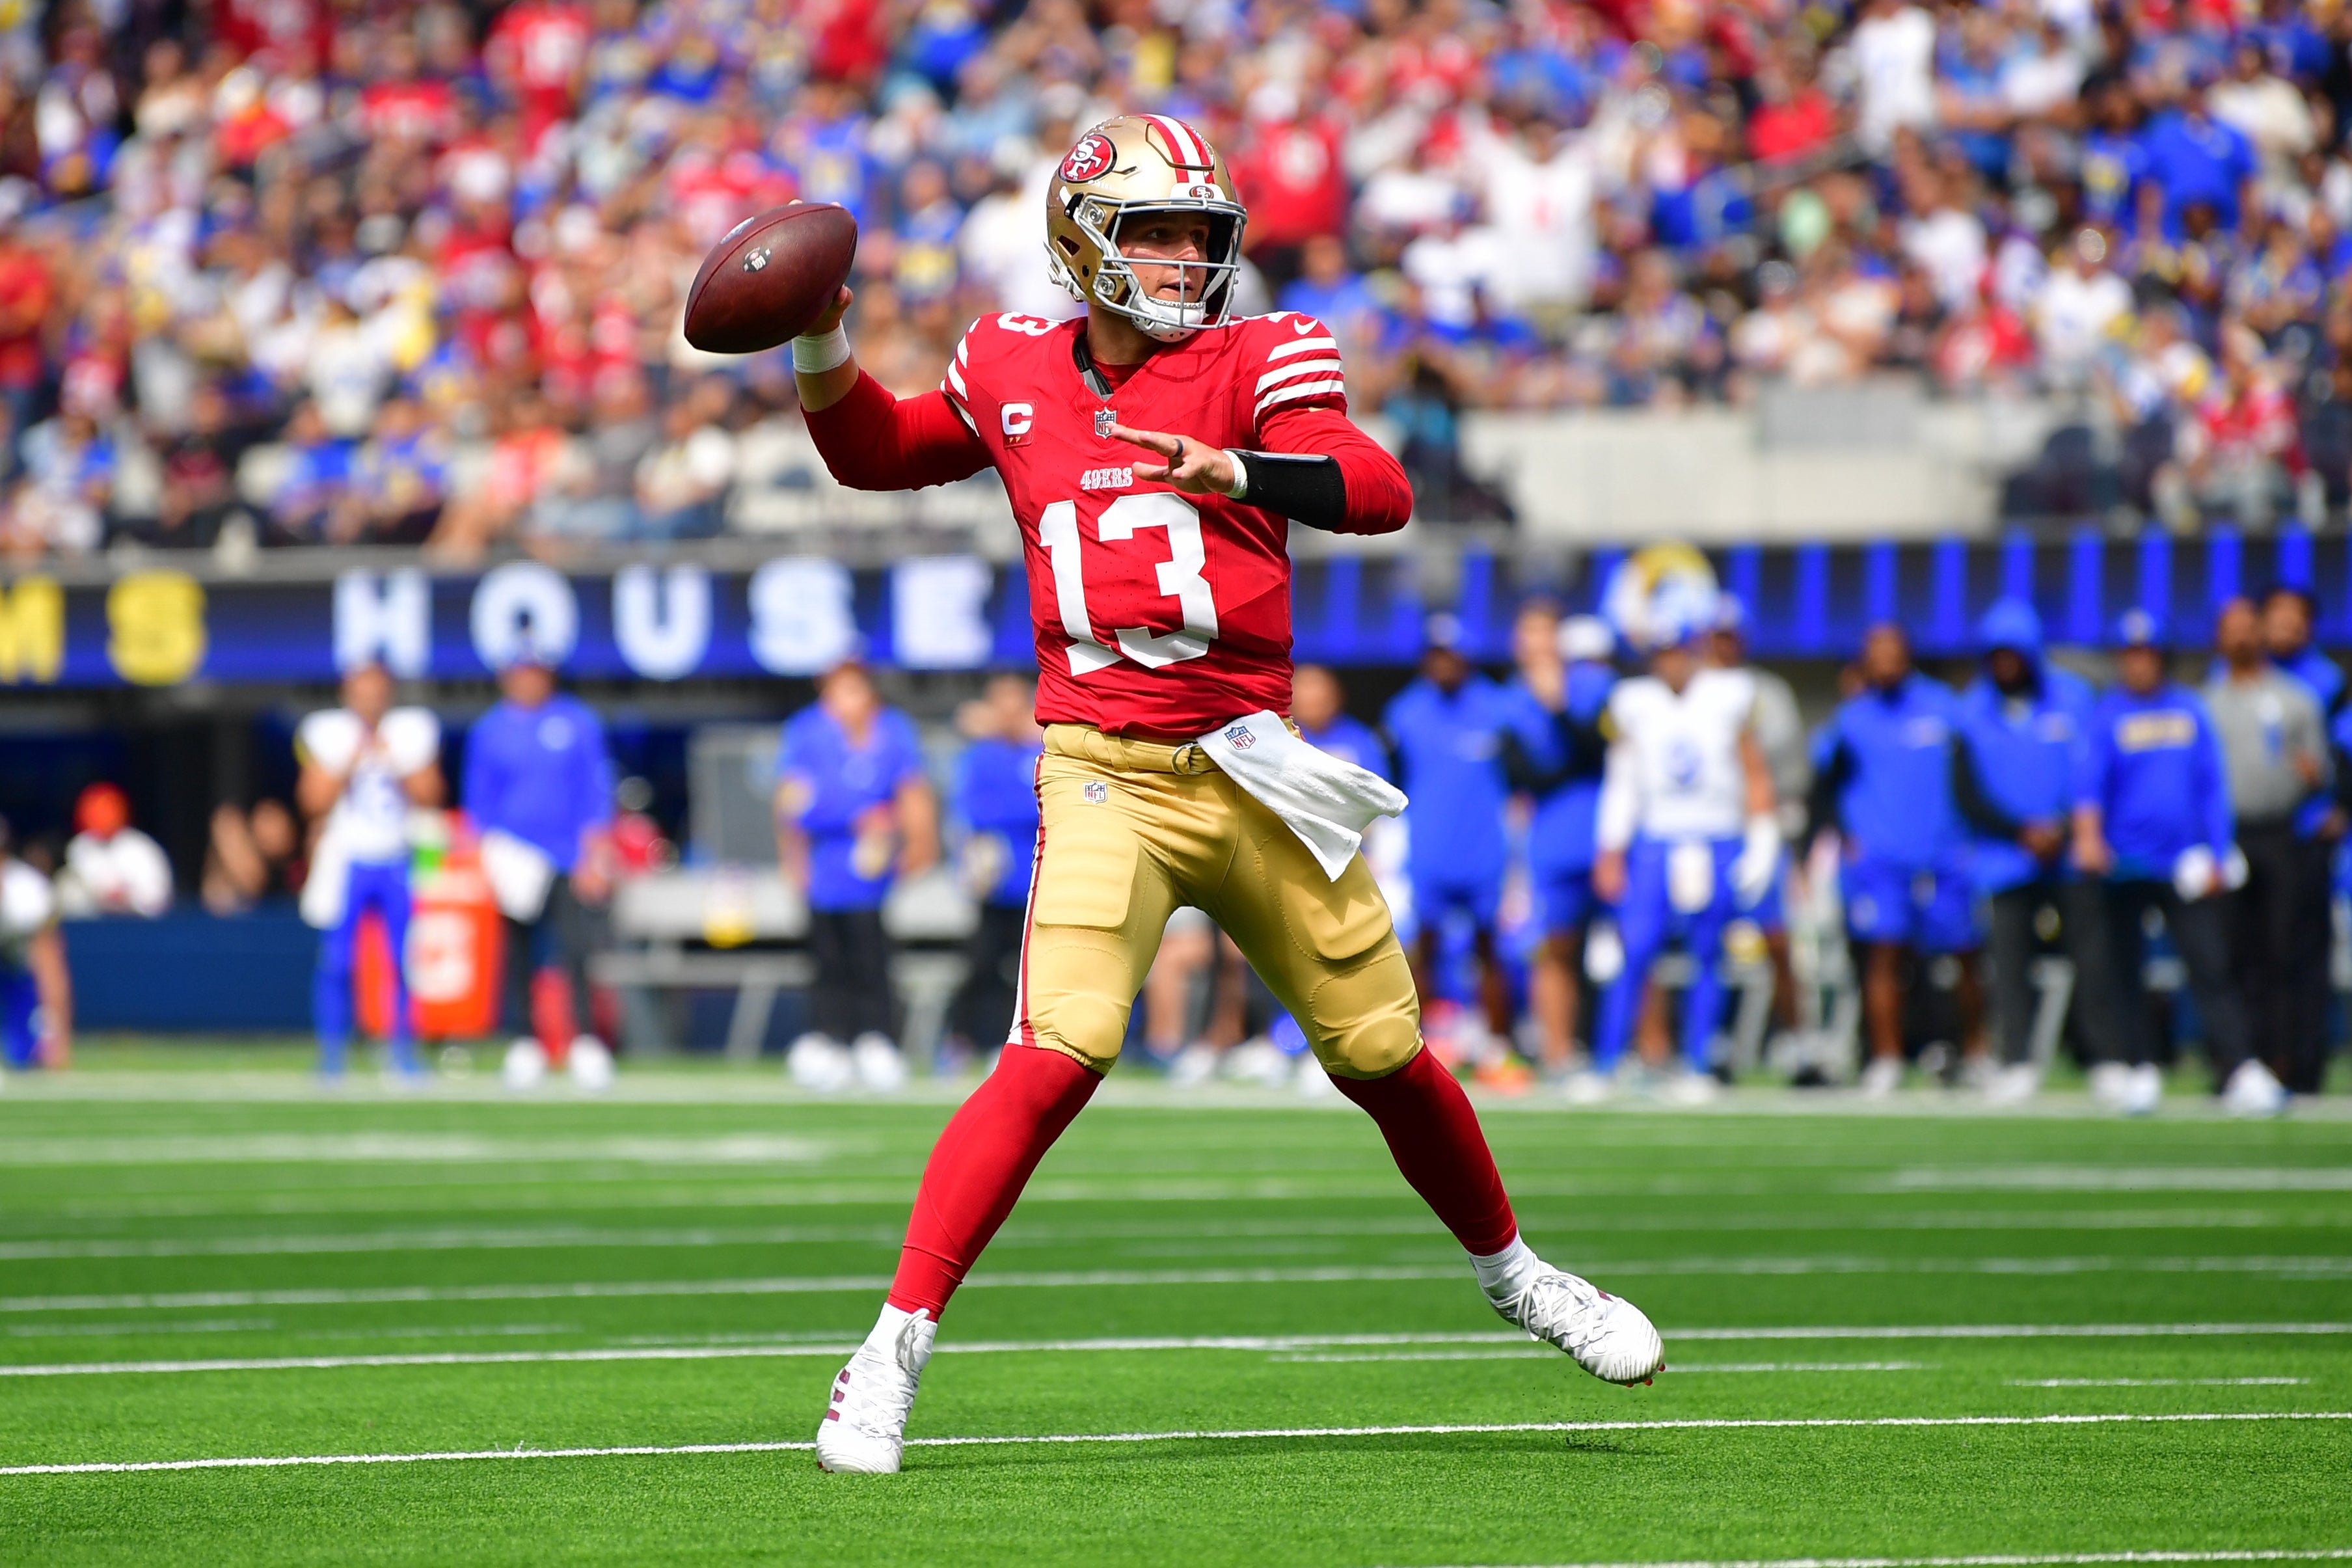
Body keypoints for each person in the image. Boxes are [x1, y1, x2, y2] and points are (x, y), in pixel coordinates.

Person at [791, 113, 1662, 1474]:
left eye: (1201, 232)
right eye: (1154, 230)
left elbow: (1373, 487)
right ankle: (887, 1347)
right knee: (1056, 1048)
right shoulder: (1009, 359)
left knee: (1383, 1054)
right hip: (1101, 767)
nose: (1186, 258)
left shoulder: (1261, 354)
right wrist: (816, 343)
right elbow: (881, 450)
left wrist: (1246, 469)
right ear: (1081, 240)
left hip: (1251, 766)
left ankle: (1518, 1275)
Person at [1582, 584, 1779, 1103]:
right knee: (1635, 950)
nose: (1670, 660)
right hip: (1655, 838)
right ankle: (1608, 1061)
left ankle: (1696, 1063)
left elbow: (1755, 773)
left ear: (1695, 646)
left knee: (1707, 954)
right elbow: (1621, 779)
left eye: (1678, 647)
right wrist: (1610, 848)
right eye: (1661, 650)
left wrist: (1761, 838)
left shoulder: (1729, 694)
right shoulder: (1633, 701)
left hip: (1714, 836)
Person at [2074, 610, 2271, 1116]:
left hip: (2183, 865)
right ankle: (2139, 1065)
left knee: (2210, 965)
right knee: (2125, 970)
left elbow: (2211, 785)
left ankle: (2239, 1065)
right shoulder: (2107, 715)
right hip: (2125, 865)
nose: (2140, 663)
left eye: (2148, 653)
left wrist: (2217, 848)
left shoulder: (2189, 709)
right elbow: (2088, 789)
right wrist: (2090, 839)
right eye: (2131, 654)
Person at [1808, 623, 1981, 1096]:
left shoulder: (1943, 707)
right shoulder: (1852, 719)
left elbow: (1969, 779)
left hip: (1941, 856)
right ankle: (1885, 1057)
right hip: (1881, 859)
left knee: (1963, 957)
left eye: (1891, 653)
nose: (1884, 663)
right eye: (1874, 654)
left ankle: (1974, 1052)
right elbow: (1824, 789)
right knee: (1881, 958)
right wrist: (1846, 838)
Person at [1951, 599, 2113, 1103]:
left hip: (2068, 853)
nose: (2005, 664)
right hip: (2004, 857)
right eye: (1996, 654)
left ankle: (2103, 1058)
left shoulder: (2074, 697)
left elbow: (2093, 772)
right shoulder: (1970, 708)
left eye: (2013, 653)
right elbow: (1965, 789)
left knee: (2092, 959)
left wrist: (2063, 828)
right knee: (2008, 963)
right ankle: (2016, 1059)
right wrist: (2019, 831)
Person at [1383, 614, 1546, 1067]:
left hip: (1483, 854)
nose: (1442, 664)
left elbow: (1523, 775)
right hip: (1429, 851)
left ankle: (1496, 1042)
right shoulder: (1405, 712)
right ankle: (1421, 1041)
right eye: (1434, 655)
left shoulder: (1498, 708)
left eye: (1450, 654)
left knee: (1488, 947)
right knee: (1425, 947)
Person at [773, 656, 938, 1094]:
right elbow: (791, 801)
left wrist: (916, 843)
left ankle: (877, 1039)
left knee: (871, 956)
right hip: (825, 866)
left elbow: (911, 793)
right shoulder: (807, 731)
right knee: (826, 959)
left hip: (870, 869)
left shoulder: (892, 731)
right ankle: (831, 1040)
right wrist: (794, 858)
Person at [463, 649, 617, 1092]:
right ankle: (525, 1043)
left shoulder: (577, 722)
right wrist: (486, 855)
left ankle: (587, 1042)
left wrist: (594, 854)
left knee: (577, 951)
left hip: (568, 857)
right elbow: (480, 801)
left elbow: (594, 790)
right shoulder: (490, 730)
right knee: (518, 955)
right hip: (513, 859)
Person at [2203, 598, 2330, 1100]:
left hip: (2280, 835)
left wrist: (2309, 777)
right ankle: (2235, 1062)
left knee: (2281, 953)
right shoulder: (2208, 701)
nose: (2240, 639)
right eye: (2229, 630)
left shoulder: (2294, 698)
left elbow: (2317, 770)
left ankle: (2285, 1060)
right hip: (2226, 837)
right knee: (2230, 955)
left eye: (2246, 629)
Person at [295, 661, 442, 1080]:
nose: (371, 701)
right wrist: (351, 760)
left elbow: (430, 794)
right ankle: (332, 1055)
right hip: (347, 858)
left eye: (378, 692)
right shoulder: (328, 731)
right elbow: (312, 801)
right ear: (348, 693)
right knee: (338, 961)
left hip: (397, 856)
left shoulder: (411, 731)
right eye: (363, 692)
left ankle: (402, 1052)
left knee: (402, 961)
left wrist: (393, 761)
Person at [1501, 610, 1616, 1078]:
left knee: (1634, 947)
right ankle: (1558, 1052)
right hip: (1551, 841)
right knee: (1554, 951)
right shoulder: (1508, 701)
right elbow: (1526, 777)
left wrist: (1559, 705)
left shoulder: (1596, 686)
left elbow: (1601, 753)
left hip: (1608, 836)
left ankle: (1645, 1053)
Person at [1707, 595, 1808, 1052]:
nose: (1722, 646)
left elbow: (1789, 770)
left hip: (1757, 830)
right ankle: (1708, 1041)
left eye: (1729, 636)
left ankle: (1796, 1040)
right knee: (1701, 943)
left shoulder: (1765, 694)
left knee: (1778, 940)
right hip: (1704, 831)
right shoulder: (1688, 691)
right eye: (1714, 636)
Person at [945, 671, 1042, 1064]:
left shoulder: (1043, 751)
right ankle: (964, 1040)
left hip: (1039, 880)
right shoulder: (980, 755)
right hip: (996, 881)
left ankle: (1027, 1047)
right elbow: (971, 810)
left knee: (1035, 972)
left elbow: (1044, 806)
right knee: (983, 964)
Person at [0, 818, 70, 1071]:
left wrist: (60, 1040)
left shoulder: (28, 891)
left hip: (15, 977)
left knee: (23, 1058)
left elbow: (51, 968)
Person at [57, 783, 173, 918]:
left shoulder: (141, 848)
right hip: (92, 926)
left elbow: (158, 899)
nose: (102, 819)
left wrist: (128, 898)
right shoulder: (79, 847)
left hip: (137, 925)